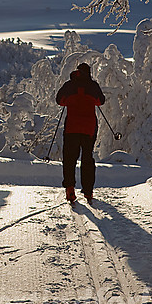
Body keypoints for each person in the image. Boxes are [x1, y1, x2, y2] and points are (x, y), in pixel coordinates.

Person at [56, 62, 105, 205]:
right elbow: (100, 101)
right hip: (89, 128)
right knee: (87, 158)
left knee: (69, 159)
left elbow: (60, 101)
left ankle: (70, 189)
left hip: (71, 128)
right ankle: (88, 191)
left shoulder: (69, 85)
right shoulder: (93, 85)